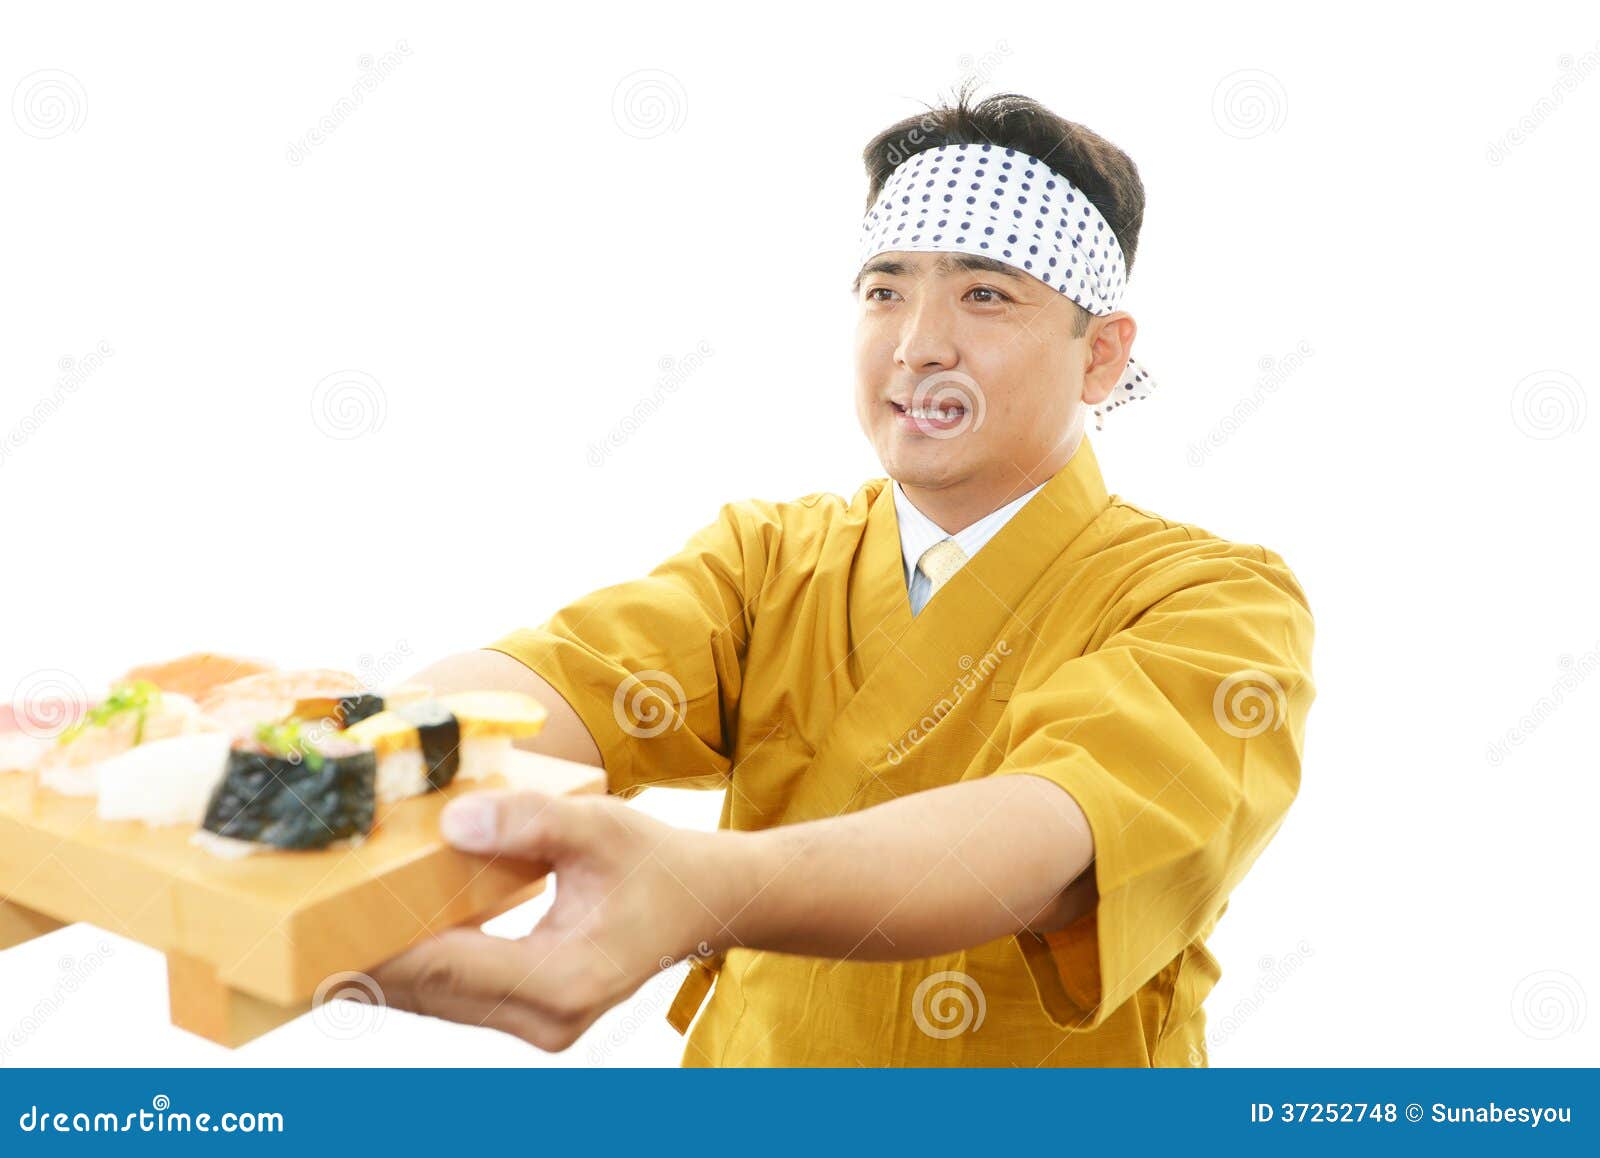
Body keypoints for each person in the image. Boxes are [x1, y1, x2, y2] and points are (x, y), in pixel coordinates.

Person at [370, 86, 1317, 1067]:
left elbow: (1054, 833)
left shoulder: (1214, 602)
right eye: (885, 290)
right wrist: (352, 748)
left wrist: (702, 886)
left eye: (984, 293)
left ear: (1102, 356)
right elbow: (562, 683)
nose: (917, 345)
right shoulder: (771, 558)